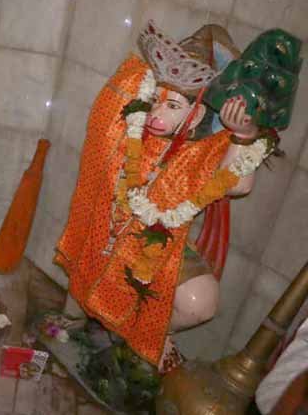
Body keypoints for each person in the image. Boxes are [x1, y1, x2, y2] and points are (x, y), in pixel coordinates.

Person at [55, 22, 285, 371]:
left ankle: (139, 339)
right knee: (88, 263)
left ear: (196, 116)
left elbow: (237, 184)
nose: (157, 115)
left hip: (161, 241)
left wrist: (244, 136)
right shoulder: (131, 116)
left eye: (173, 106)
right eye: (156, 101)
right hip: (109, 228)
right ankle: (82, 324)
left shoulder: (203, 148)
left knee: (200, 303)